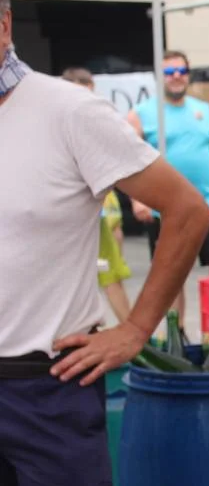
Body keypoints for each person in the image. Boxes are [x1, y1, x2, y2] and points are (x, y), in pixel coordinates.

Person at [0, 0, 209, 486]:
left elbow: (188, 210)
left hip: (48, 387)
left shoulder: (67, 111)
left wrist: (135, 328)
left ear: (4, 25)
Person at [127, 50, 209, 330]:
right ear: (160, 77)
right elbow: (126, 159)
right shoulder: (141, 114)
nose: (176, 77)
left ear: (189, 75)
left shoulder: (205, 110)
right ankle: (177, 336)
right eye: (169, 72)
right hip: (166, 211)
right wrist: (137, 200)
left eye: (181, 71)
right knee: (170, 277)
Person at [61, 66, 134, 324]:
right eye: (80, 95)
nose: (86, 102)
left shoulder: (99, 126)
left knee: (110, 273)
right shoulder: (56, 128)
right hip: (65, 220)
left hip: (101, 211)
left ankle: (133, 336)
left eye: (90, 95)